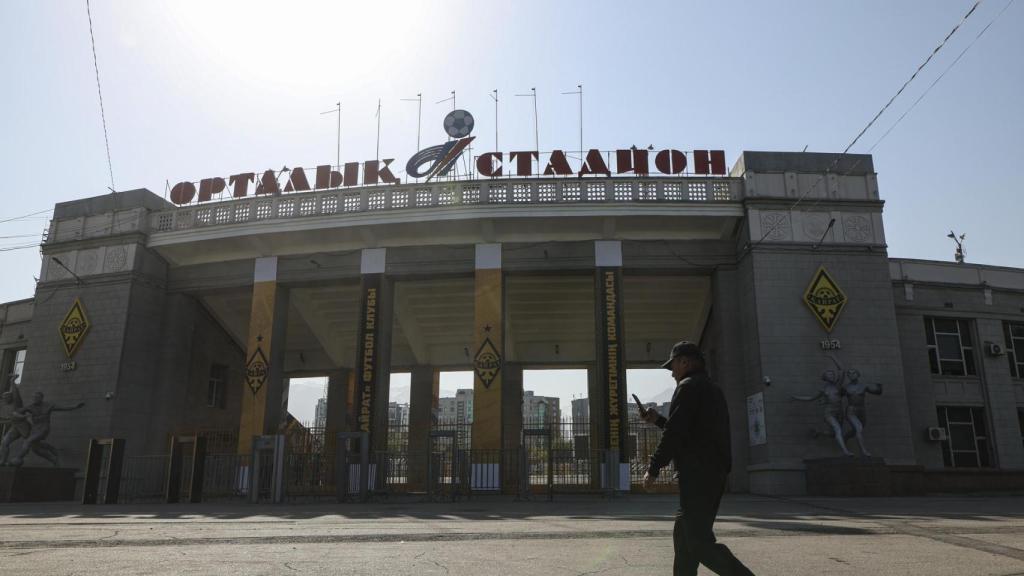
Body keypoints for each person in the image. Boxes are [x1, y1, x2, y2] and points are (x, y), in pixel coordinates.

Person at [642, 341, 755, 576]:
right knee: (684, 539)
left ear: (685, 362)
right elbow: (690, 430)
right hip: (710, 472)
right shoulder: (710, 388)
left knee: (698, 543)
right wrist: (659, 420)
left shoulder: (688, 387)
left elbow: (677, 434)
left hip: (699, 475)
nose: (672, 373)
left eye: (672, 366)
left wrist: (654, 467)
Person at [9, 391, 84, 467]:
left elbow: (62, 408)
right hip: (35, 429)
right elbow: (15, 412)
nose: (35, 399)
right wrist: (22, 416)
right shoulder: (30, 407)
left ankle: (18, 458)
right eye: (34, 398)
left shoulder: (48, 405)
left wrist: (75, 406)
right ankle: (53, 458)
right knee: (36, 449)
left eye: (37, 397)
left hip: (43, 428)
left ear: (41, 398)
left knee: (28, 441)